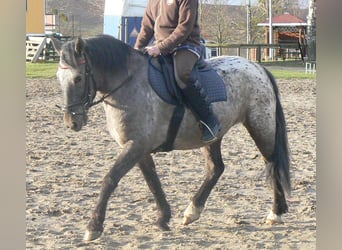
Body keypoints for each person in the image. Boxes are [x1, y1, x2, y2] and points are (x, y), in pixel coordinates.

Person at [134, 0, 220, 142]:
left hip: (186, 45)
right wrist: (137, 50)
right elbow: (146, 27)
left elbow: (184, 28)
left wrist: (160, 48)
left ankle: (209, 120)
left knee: (182, 75)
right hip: (161, 46)